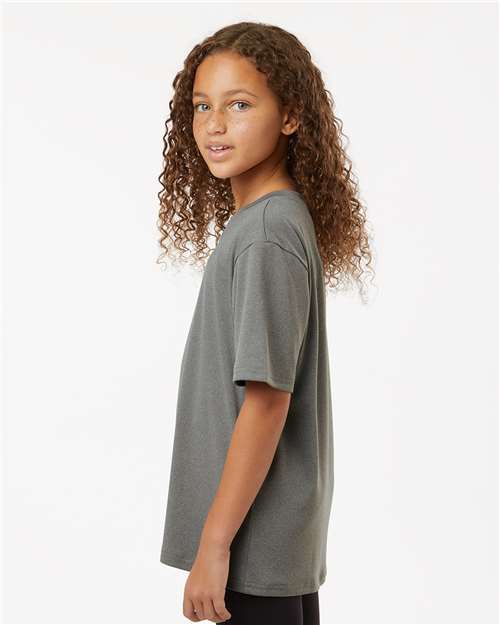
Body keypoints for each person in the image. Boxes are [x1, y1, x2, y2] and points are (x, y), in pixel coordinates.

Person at [157, 21, 373, 625]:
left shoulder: (266, 234)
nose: (214, 124)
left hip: (250, 545)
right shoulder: (270, 222)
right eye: (202, 105)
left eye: (240, 104)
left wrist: (214, 544)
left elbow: (267, 399)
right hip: (268, 543)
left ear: (291, 116)